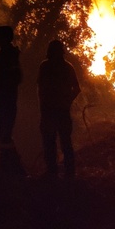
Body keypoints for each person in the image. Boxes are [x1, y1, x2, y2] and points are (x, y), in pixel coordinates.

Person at [37, 39, 80, 178]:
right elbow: (77, 89)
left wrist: (44, 105)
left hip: (52, 110)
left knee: (52, 142)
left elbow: (40, 88)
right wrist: (67, 101)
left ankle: (53, 171)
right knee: (64, 141)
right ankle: (68, 172)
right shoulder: (67, 67)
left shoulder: (45, 66)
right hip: (59, 110)